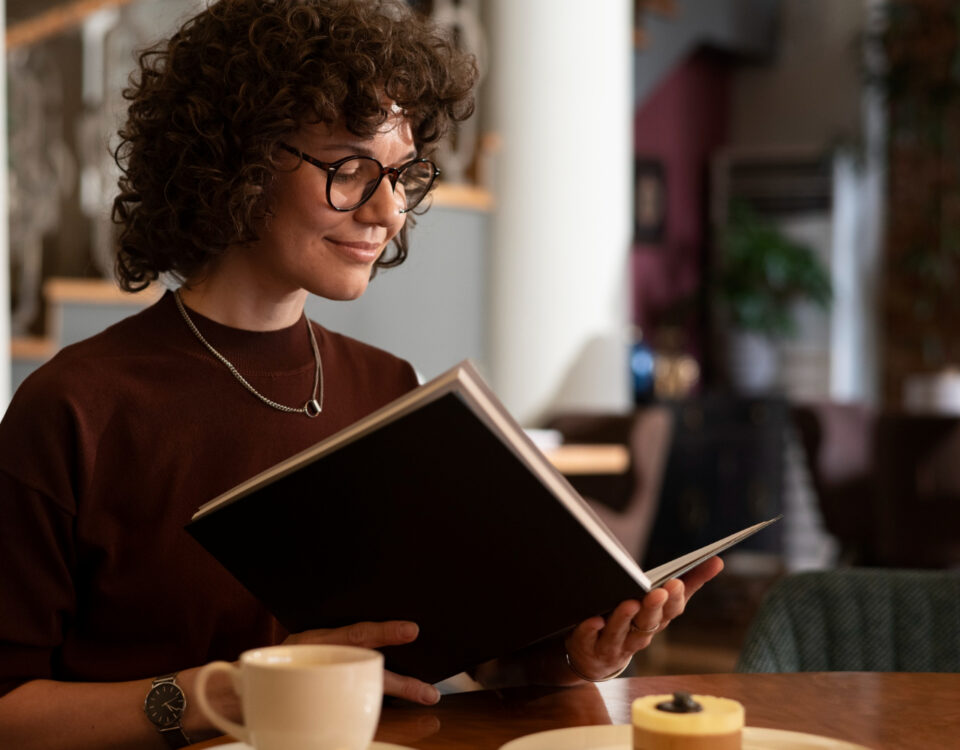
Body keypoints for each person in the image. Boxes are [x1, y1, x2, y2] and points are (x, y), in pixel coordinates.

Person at [0, 1, 723, 747]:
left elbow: (451, 651)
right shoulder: (76, 407)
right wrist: (218, 695)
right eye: (350, 170)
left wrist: (575, 654)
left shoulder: (388, 392)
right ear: (233, 162)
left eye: (402, 175)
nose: (388, 210)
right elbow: (8, 710)